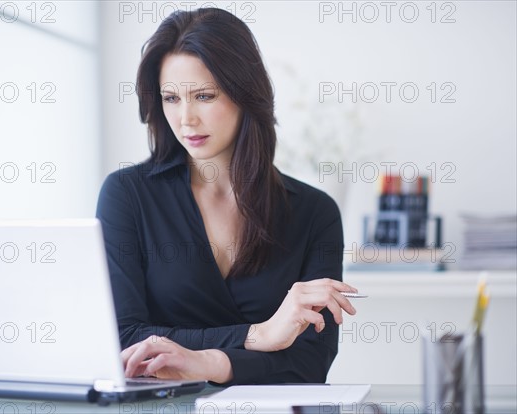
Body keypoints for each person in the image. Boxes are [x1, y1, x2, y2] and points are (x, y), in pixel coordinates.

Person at [96, 7, 358, 385]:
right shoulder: (127, 196)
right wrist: (260, 335)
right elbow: (123, 340)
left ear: (244, 94)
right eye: (171, 98)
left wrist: (212, 363)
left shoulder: (315, 213)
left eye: (204, 96)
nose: (186, 118)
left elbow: (311, 362)